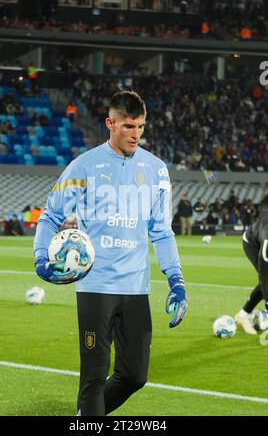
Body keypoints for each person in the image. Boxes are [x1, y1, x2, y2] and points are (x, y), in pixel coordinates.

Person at [34, 91, 187, 416]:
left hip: (135, 288)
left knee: (135, 376)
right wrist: (40, 258)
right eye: (129, 126)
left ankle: (85, 417)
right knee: (93, 376)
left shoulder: (157, 170)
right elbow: (50, 216)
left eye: (141, 127)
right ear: (110, 123)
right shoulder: (84, 166)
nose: (136, 134)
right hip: (95, 287)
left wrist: (176, 279)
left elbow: (161, 231)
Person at [235, 194, 268, 334]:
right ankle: (243, 315)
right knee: (267, 279)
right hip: (252, 242)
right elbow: (265, 276)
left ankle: (243, 314)